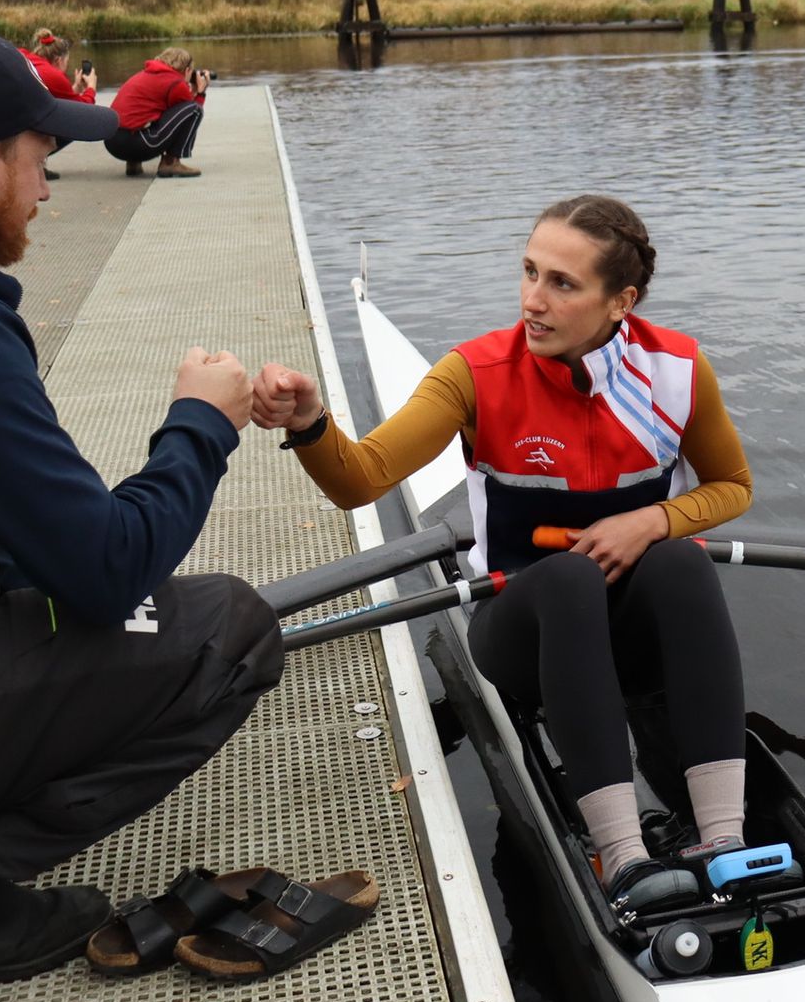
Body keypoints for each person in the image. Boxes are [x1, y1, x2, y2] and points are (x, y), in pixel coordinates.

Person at [0, 27, 282, 985]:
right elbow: (108, 567)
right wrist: (200, 424)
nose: (47, 189)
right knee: (226, 628)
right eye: (43, 160)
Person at [251, 196, 753, 910]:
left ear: (622, 302)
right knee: (572, 579)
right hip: (521, 628)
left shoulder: (676, 369)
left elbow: (732, 488)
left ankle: (725, 839)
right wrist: (309, 421)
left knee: (681, 560)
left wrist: (652, 520)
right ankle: (623, 856)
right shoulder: (475, 375)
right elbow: (358, 480)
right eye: (529, 272)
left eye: (561, 283)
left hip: (631, 630)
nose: (532, 300)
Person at [105, 46, 210, 179]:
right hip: (134, 145)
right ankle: (170, 162)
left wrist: (192, 91)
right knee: (195, 110)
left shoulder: (144, 74)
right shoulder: (175, 82)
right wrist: (200, 93)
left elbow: (173, 113)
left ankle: (133, 163)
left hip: (112, 143)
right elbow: (189, 111)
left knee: (145, 115)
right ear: (187, 70)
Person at [17, 31, 97, 180]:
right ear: (59, 60)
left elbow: (49, 101)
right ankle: (34, 161)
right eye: (66, 62)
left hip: (13, 122)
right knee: (73, 125)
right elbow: (84, 111)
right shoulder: (52, 75)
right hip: (21, 132)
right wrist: (91, 87)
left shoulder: (30, 62)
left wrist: (75, 89)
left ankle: (35, 164)